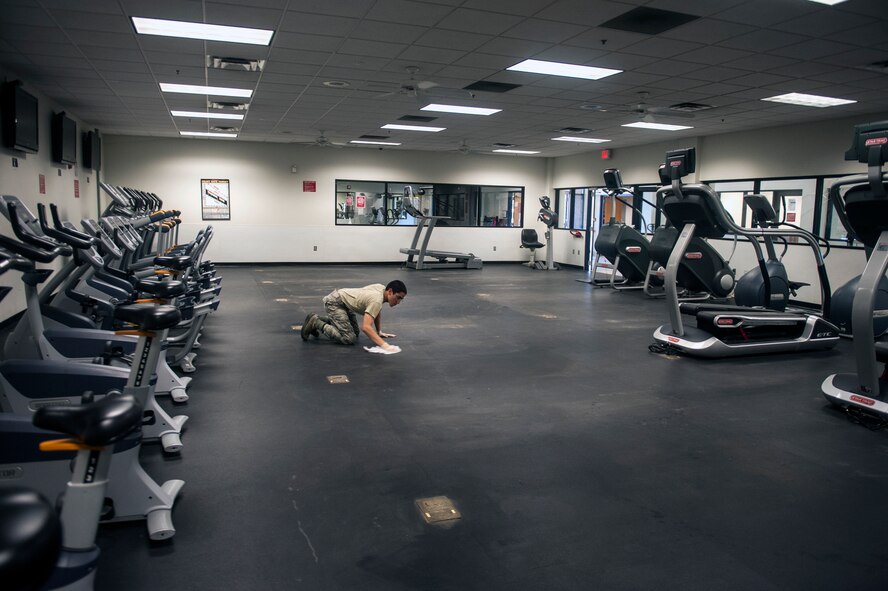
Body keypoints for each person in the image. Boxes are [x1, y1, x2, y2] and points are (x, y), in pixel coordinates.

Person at [301, 280, 406, 351]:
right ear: (390, 292)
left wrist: (379, 331)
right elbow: (366, 327)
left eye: (401, 299)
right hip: (335, 302)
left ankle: (319, 318)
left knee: (355, 333)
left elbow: (376, 311)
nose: (399, 302)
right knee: (349, 338)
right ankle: (316, 322)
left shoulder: (382, 289)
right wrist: (385, 346)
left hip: (345, 303)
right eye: (398, 297)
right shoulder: (377, 300)